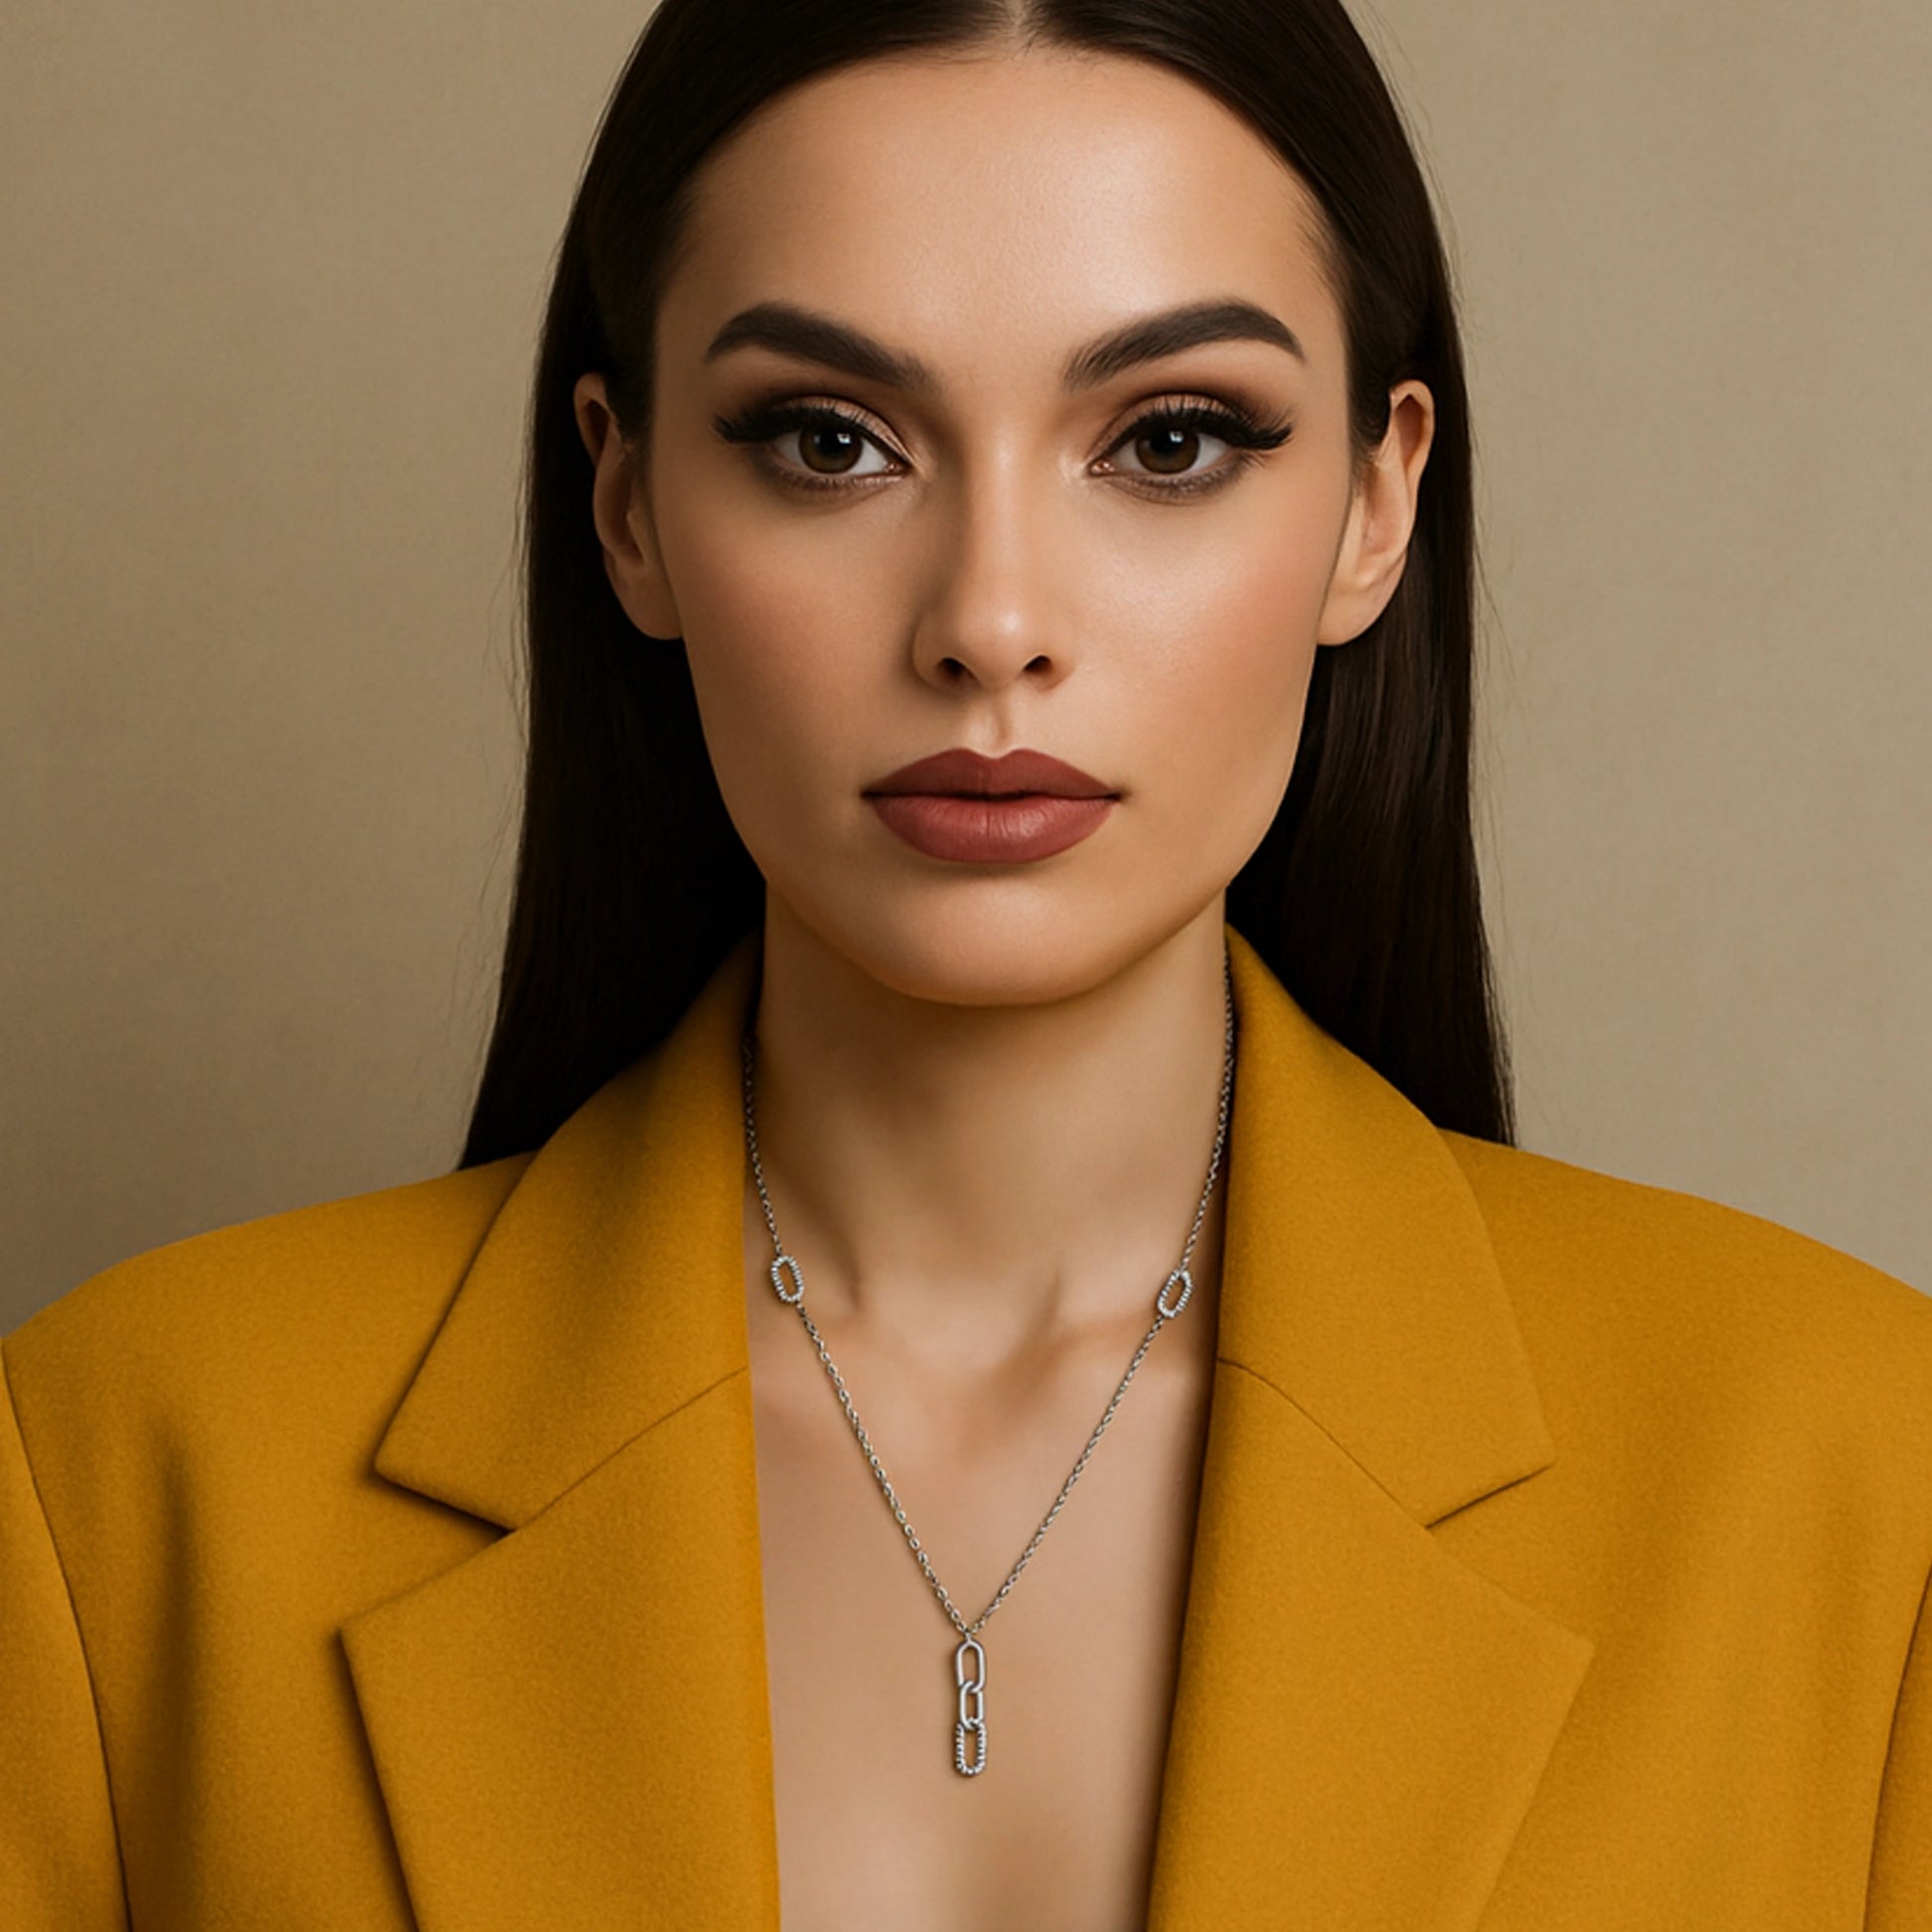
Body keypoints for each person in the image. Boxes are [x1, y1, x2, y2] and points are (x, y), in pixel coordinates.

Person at [5, 0, 1928, 1925]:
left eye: (1169, 440)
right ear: (628, 504)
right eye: (829, 440)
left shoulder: (1850, 1479)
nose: (990, 620)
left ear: (1373, 501)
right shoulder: (120, 1491)